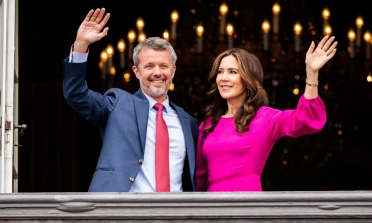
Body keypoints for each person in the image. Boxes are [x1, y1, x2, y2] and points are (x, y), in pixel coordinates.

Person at [63, 8, 198, 192]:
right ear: (136, 71)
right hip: (123, 214)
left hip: (174, 217)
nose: (157, 72)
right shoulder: (117, 103)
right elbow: (76, 94)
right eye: (149, 66)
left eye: (164, 66)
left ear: (173, 71)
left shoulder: (187, 122)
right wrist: (80, 45)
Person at [196, 36, 337, 192]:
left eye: (233, 72)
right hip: (211, 209)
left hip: (248, 208)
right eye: (220, 72)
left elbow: (307, 120)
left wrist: (311, 74)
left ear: (248, 79)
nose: (224, 78)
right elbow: (199, 179)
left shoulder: (265, 119)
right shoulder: (207, 124)